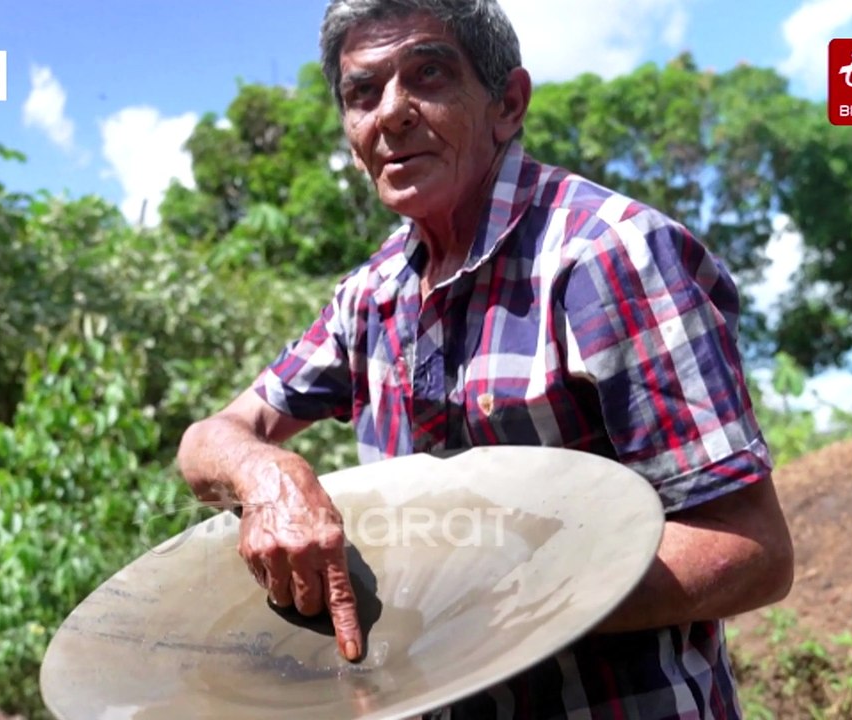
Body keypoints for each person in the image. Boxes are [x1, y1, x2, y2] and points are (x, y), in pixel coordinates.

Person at [176, 0, 795, 716]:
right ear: (351, 137)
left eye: (428, 75)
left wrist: (479, 614)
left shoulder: (603, 256)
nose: (392, 113)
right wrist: (268, 474)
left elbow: (750, 550)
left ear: (507, 102)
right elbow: (209, 441)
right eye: (362, 94)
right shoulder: (369, 298)